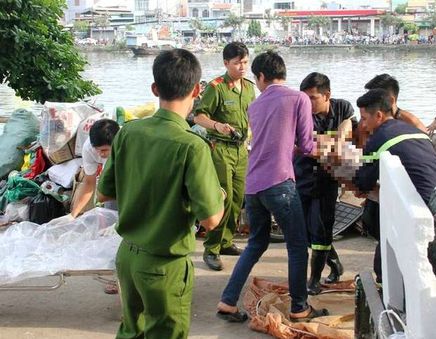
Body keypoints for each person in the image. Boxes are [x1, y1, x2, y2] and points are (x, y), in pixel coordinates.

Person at [97, 49, 224, 339]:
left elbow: (104, 194)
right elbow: (212, 220)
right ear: (197, 90)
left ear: (155, 89)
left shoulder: (128, 133)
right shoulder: (192, 146)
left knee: (131, 331)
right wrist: (219, 196)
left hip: (127, 257)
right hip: (164, 265)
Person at [217, 51, 328, 323]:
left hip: (253, 186)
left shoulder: (254, 106)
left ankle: (228, 301)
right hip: (279, 182)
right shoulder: (299, 98)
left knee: (256, 244)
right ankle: (300, 307)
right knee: (298, 246)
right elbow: (307, 145)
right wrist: (334, 148)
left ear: (262, 77)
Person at [317, 89, 436, 284]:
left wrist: (339, 168)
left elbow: (363, 182)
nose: (363, 124)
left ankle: (385, 289)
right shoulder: (415, 131)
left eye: (364, 118)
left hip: (418, 207)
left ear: (378, 115)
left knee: (385, 258)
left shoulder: (380, 138)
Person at [194, 42, 256, 271]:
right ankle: (211, 249)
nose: (242, 67)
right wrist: (218, 125)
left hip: (242, 150)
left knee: (239, 198)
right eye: (237, 63)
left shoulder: (249, 88)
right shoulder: (216, 87)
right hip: (220, 148)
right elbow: (198, 116)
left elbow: (252, 116)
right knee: (223, 197)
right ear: (226, 63)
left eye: (245, 62)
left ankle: (227, 241)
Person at [295, 72, 356, 295]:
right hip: (301, 177)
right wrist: (328, 145)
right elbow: (301, 146)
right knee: (305, 232)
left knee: (321, 230)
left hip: (327, 181)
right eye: (304, 98)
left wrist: (319, 144)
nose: (307, 103)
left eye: (312, 98)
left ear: (327, 95)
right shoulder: (299, 113)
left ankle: (314, 280)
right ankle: (335, 263)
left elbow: (345, 139)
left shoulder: (342, 109)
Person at [359, 74, 427, 147]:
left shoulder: (413, 124)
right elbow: (361, 147)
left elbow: (425, 147)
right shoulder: (366, 120)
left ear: (391, 101)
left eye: (373, 99)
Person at [70, 118, 119, 218]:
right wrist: (72, 215)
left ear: (116, 142)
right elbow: (89, 183)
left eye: (104, 150)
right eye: (97, 149)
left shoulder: (127, 147)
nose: (101, 154)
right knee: (110, 214)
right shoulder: (88, 148)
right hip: (111, 178)